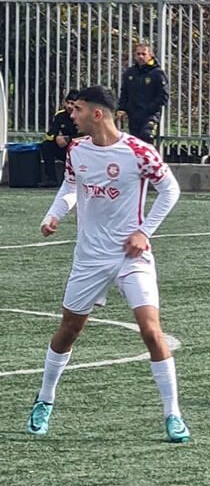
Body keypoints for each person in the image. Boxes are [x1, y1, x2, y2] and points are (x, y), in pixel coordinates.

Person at [26, 85, 189, 443]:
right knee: (69, 330)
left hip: (131, 257)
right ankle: (45, 399)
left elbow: (171, 190)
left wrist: (144, 232)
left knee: (151, 331)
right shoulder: (78, 150)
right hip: (89, 258)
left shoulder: (139, 152)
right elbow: (70, 187)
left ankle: (173, 414)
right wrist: (53, 215)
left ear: (97, 114)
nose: (72, 116)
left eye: (77, 110)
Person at [117, 43, 169, 144]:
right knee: (135, 142)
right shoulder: (130, 72)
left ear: (150, 55)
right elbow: (124, 92)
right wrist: (122, 109)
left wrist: (150, 108)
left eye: (144, 54)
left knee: (146, 137)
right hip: (133, 115)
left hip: (150, 115)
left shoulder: (157, 73)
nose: (141, 56)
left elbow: (163, 95)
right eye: (138, 54)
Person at [39, 89, 80, 188]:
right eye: (68, 103)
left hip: (78, 148)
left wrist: (69, 139)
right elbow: (50, 134)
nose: (69, 106)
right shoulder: (60, 115)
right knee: (46, 145)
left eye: (72, 104)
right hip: (64, 148)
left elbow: (87, 136)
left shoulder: (82, 116)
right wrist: (57, 138)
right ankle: (51, 179)